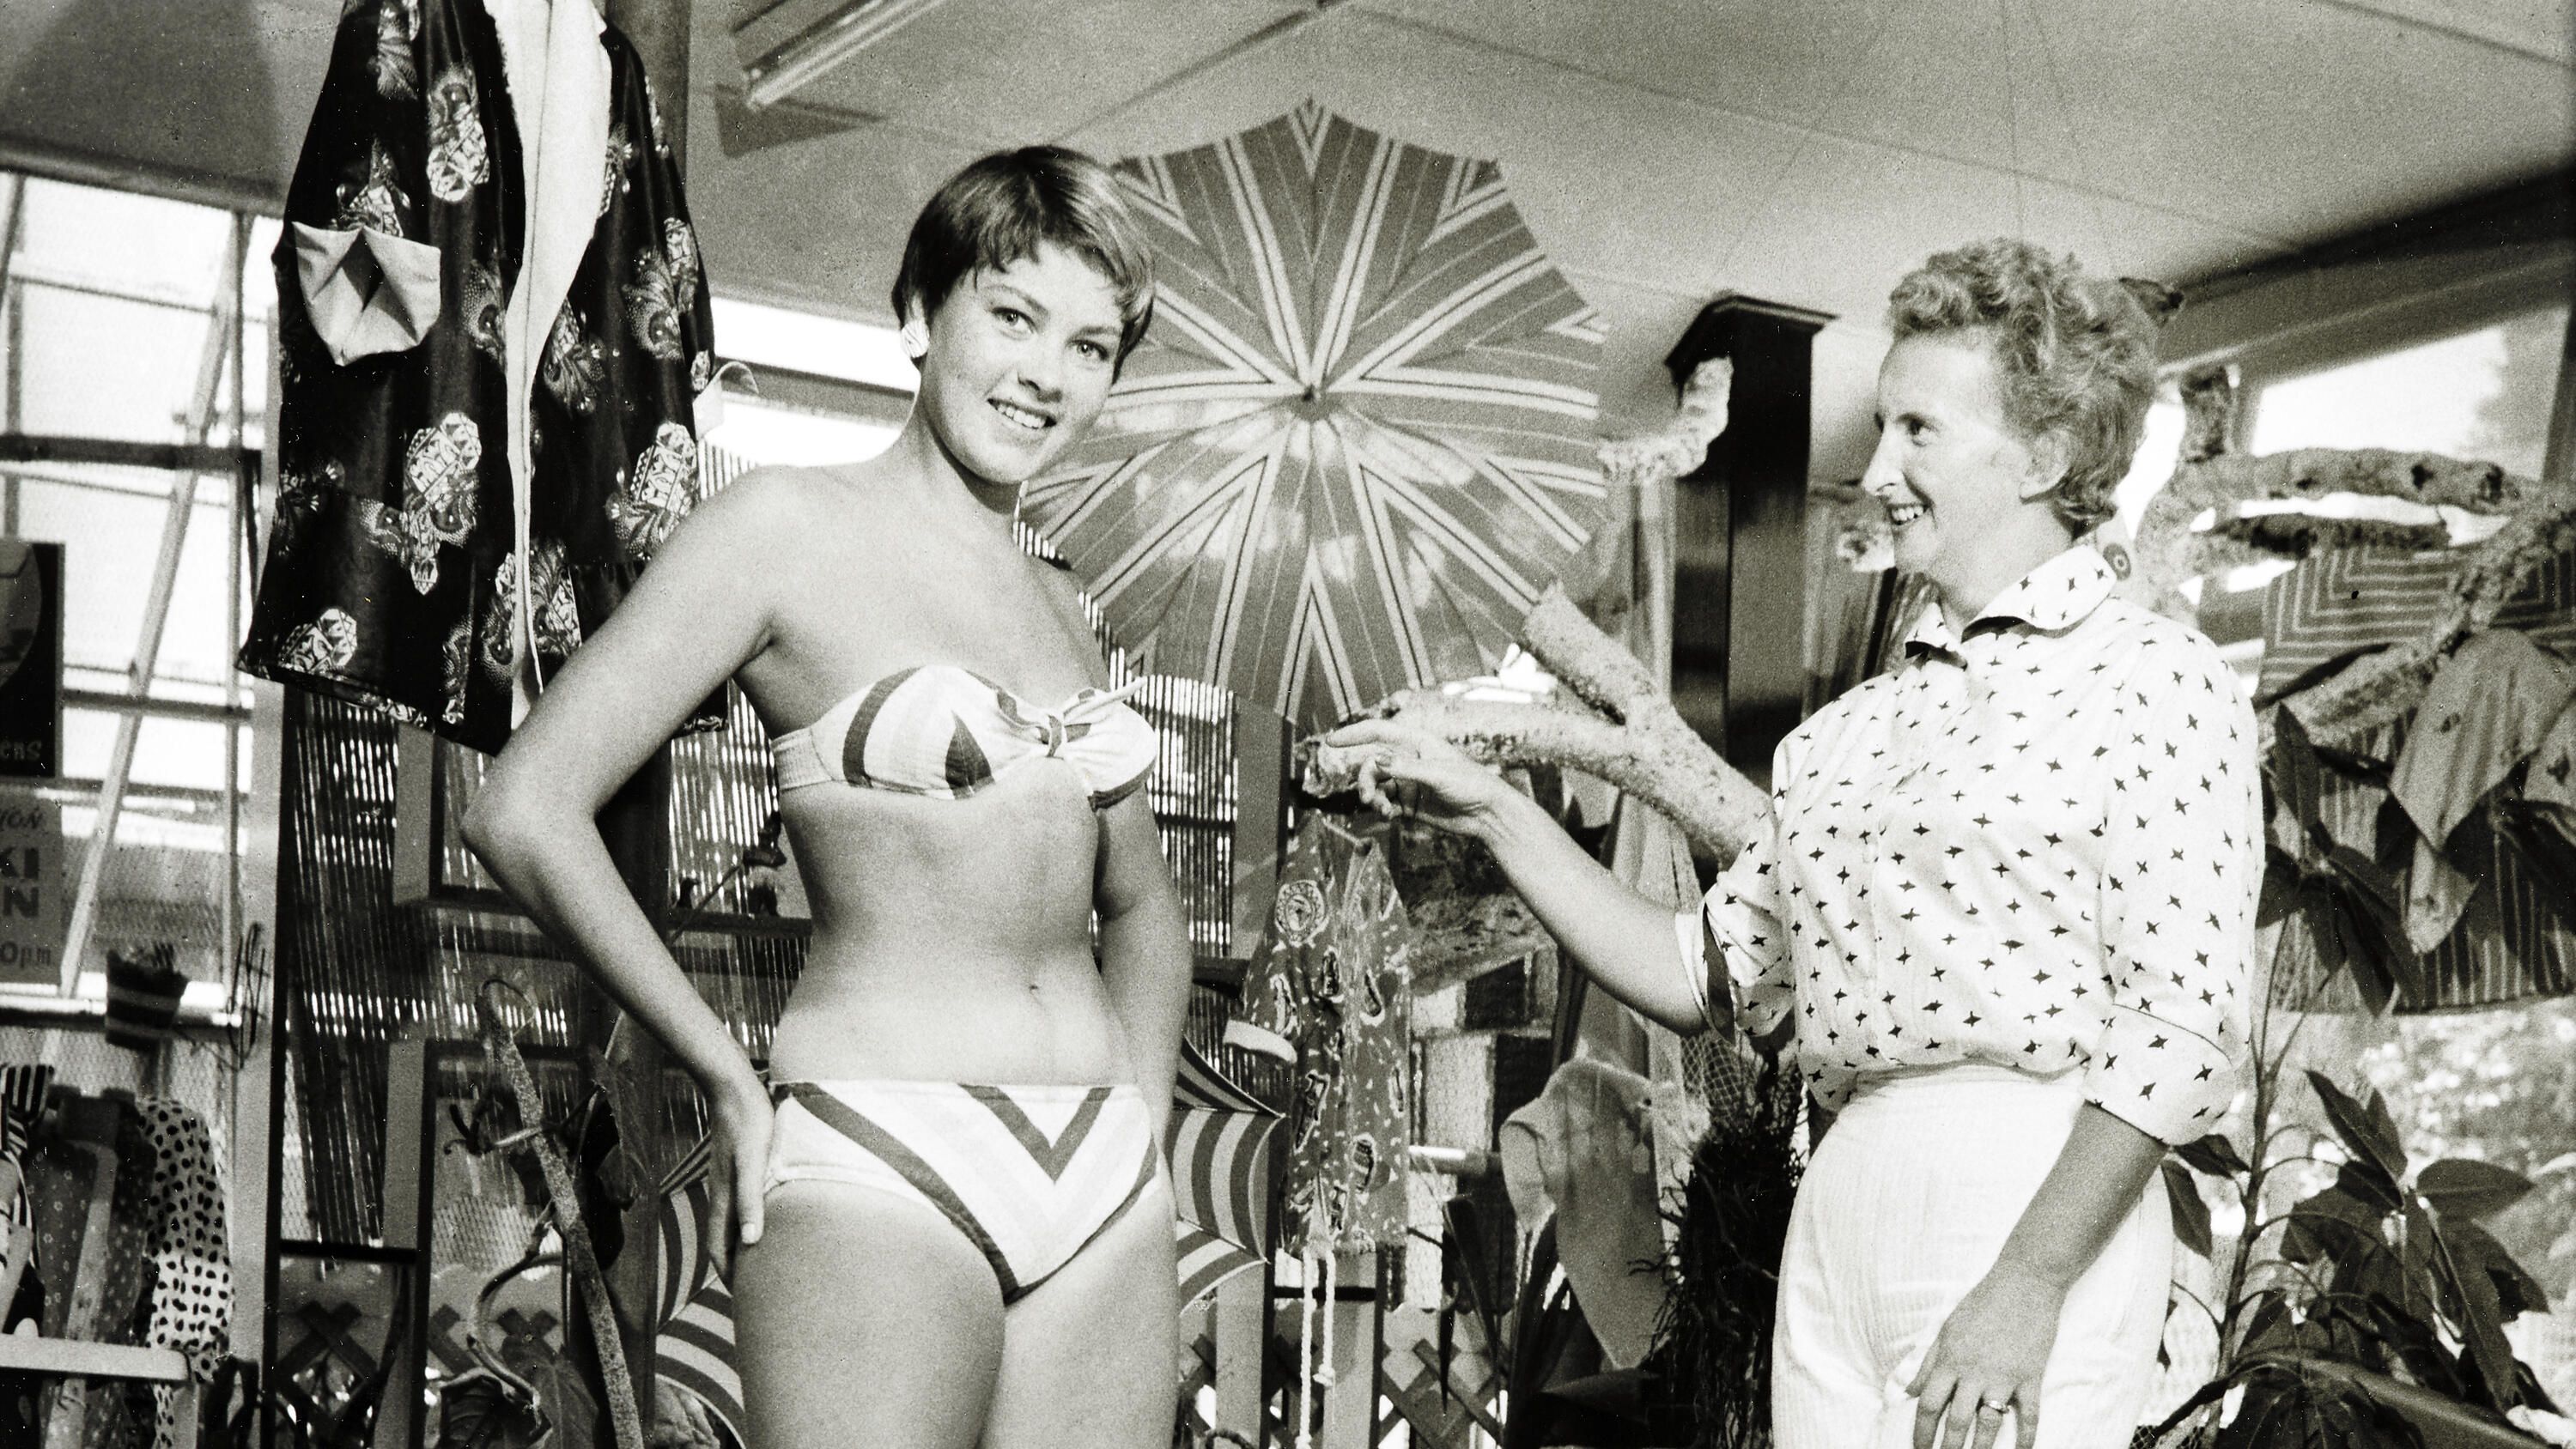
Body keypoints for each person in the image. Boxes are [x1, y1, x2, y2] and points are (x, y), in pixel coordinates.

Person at [1330, 239, 2259, 1449]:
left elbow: (2183, 1032)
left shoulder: (2154, 677)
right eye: (1882, 427)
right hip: (1847, 1189)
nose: (1876, 468)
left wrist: (2029, 1283)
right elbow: (1700, 973)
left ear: (2047, 453)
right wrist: (1491, 807)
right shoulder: (1847, 735)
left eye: (1919, 431)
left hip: (2030, 1191)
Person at [464, 147, 1192, 1449]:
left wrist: (1136, 1125)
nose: (1044, 374)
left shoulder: (1066, 605)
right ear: (918, 314)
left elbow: (1143, 907)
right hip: (877, 1156)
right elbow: (524, 809)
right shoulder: (782, 531)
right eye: (1012, 317)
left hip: (1100, 1183)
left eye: (1090, 346)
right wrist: (725, 1077)